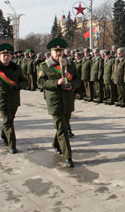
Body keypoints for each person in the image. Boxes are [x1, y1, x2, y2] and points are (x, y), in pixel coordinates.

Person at [37, 38, 80, 167]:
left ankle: (56, 143)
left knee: (64, 124)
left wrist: (72, 86)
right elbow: (40, 83)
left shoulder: (70, 65)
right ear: (51, 52)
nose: (59, 53)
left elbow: (78, 80)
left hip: (67, 100)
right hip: (54, 100)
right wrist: (57, 83)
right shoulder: (44, 66)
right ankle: (68, 156)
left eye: (60, 51)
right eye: (56, 51)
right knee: (62, 127)